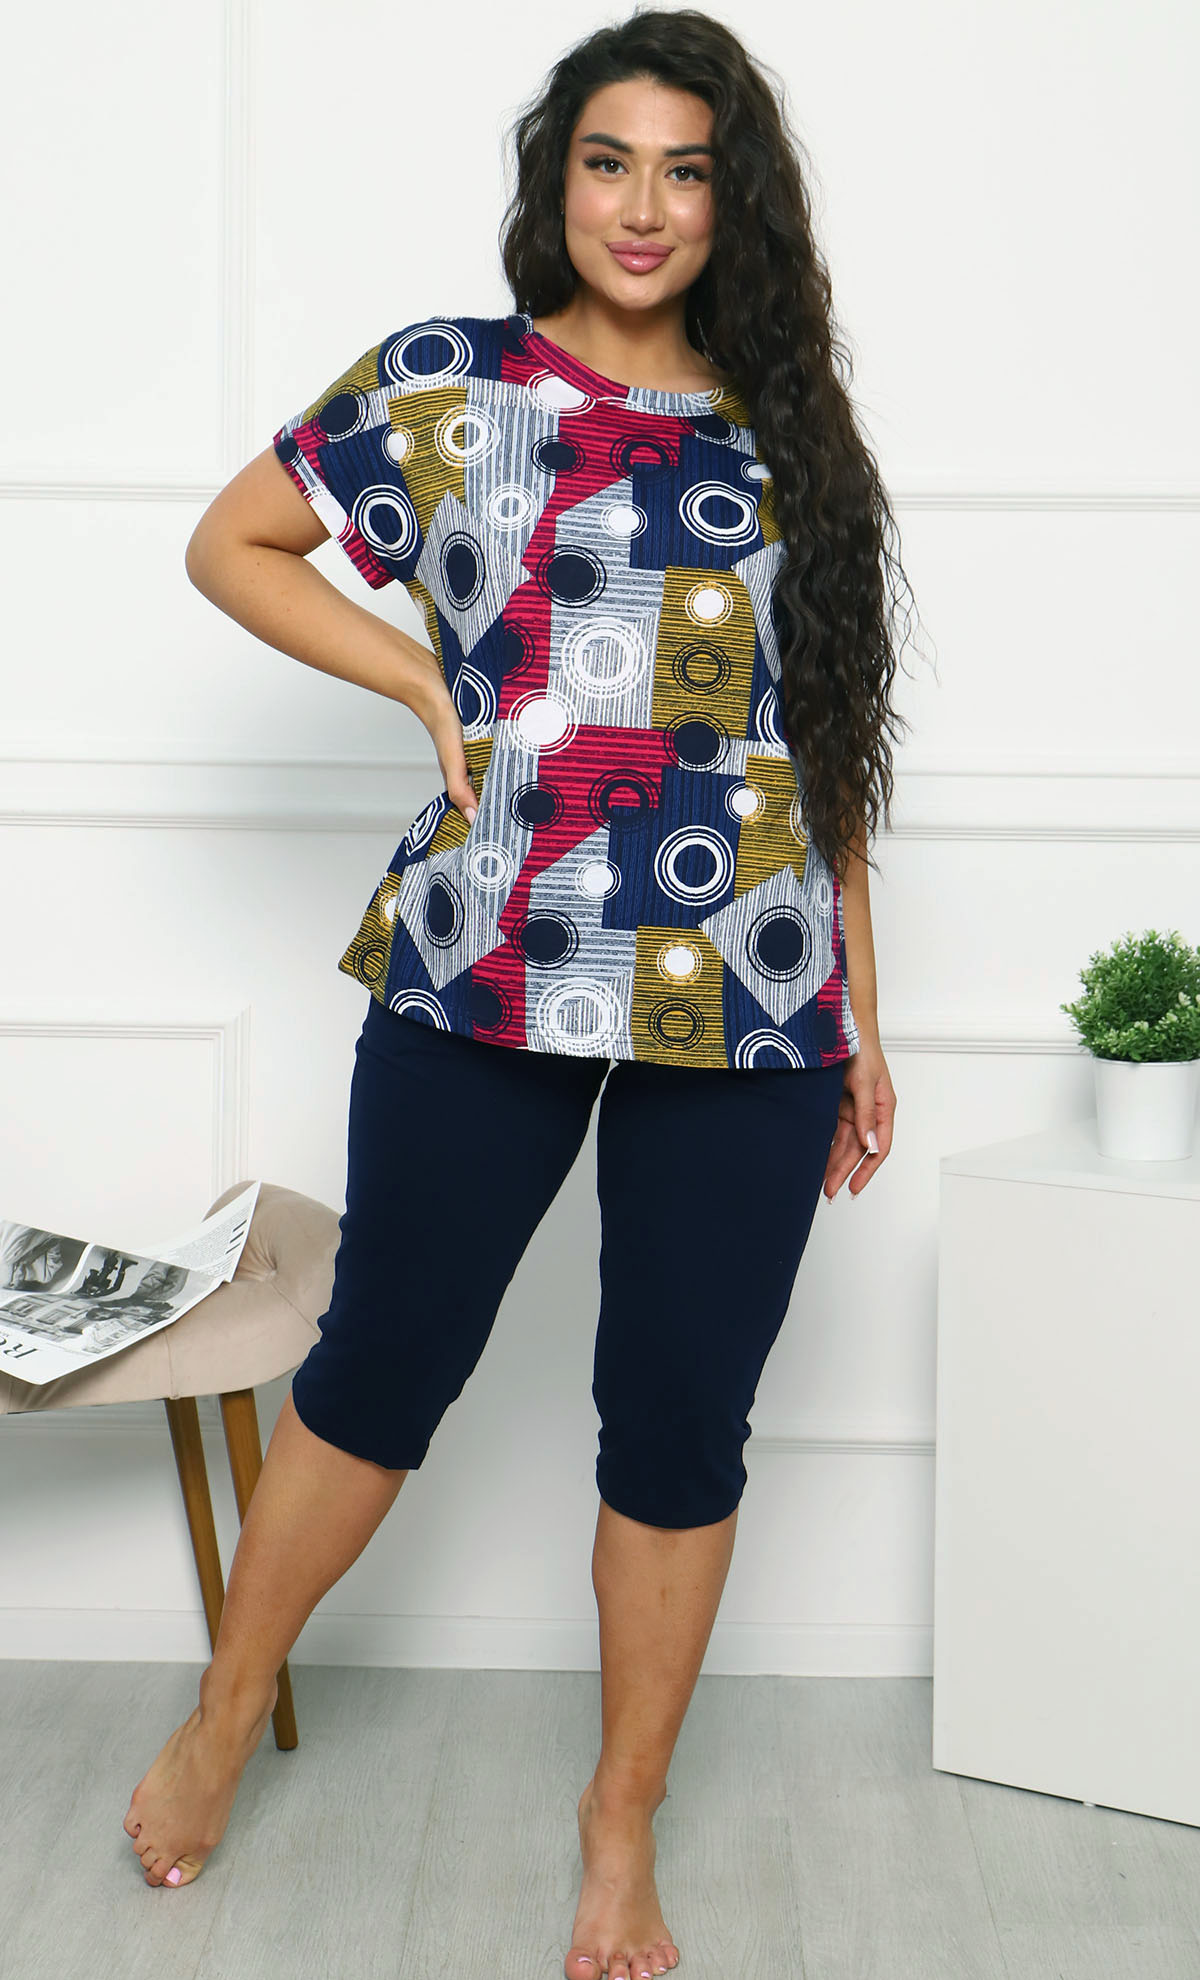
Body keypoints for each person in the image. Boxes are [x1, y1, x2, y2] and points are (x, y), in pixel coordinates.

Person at [123, 12, 918, 1977]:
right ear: (556, 180)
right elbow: (235, 541)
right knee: (382, 1369)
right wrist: (420, 677)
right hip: (487, 961)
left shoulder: (791, 432)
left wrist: (862, 1013)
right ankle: (224, 1712)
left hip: (750, 997)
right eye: (607, 162)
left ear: (734, 201)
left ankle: (618, 1827)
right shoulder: (450, 382)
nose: (643, 208)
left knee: (681, 1421)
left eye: (686, 171)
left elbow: (824, 750)